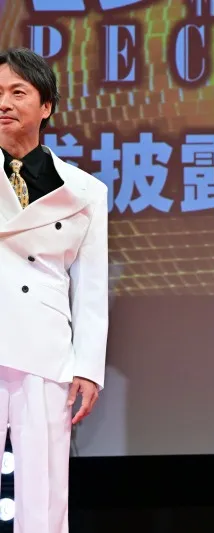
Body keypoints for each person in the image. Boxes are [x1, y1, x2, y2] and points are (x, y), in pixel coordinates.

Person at [0, 48, 109, 532]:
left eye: (17, 92)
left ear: (46, 106)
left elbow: (91, 287)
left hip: (45, 350)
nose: (4, 103)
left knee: (44, 494)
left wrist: (88, 367)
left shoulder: (84, 191)